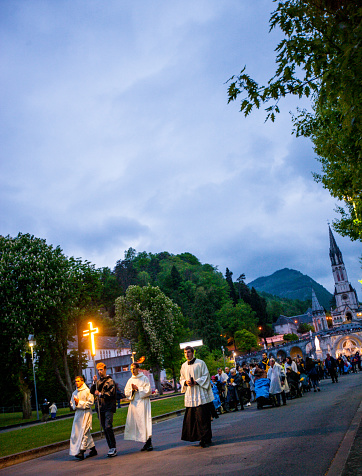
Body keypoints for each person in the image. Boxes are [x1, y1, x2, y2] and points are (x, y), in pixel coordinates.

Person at [180, 346, 214, 448]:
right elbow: (181, 378)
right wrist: (185, 382)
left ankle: (205, 438)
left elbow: (206, 376)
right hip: (190, 394)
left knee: (203, 417)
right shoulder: (183, 366)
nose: (187, 354)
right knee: (193, 418)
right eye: (185, 352)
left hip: (200, 393)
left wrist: (196, 381)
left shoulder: (200, 363)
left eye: (188, 352)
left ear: (193, 353)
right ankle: (198, 437)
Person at [124, 362, 153, 451]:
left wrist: (138, 389)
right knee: (139, 423)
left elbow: (148, 390)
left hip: (143, 403)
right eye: (131, 369)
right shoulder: (130, 380)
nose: (132, 370)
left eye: (134, 368)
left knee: (144, 422)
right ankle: (145, 442)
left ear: (138, 369)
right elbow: (126, 392)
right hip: (134, 404)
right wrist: (132, 391)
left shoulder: (144, 378)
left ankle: (149, 442)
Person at [90, 362, 117, 457]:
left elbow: (111, 393)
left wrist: (101, 394)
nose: (99, 372)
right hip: (100, 407)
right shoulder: (97, 382)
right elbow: (92, 391)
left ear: (105, 369)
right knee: (105, 428)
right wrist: (94, 382)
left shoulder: (110, 381)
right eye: (98, 370)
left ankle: (113, 447)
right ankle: (110, 447)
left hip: (108, 407)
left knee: (108, 426)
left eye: (101, 370)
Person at [69, 376, 97, 460]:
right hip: (78, 415)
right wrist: (76, 404)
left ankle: (81, 451)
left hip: (86, 413)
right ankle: (93, 449)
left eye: (78, 381)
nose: (76, 383)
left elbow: (91, 402)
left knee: (84, 432)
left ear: (82, 381)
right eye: (75, 381)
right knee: (80, 432)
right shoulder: (74, 393)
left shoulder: (88, 391)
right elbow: (72, 403)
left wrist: (79, 403)